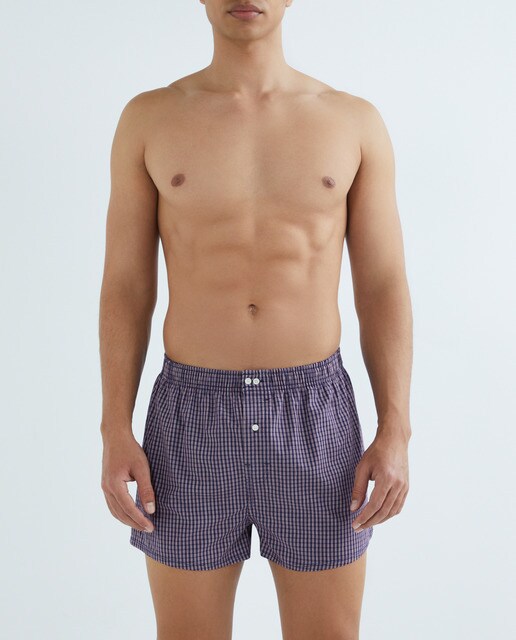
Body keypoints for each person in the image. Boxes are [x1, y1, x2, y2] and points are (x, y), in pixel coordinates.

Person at [99, 1, 413, 638]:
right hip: (190, 414)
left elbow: (382, 285)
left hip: (314, 413)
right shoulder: (150, 118)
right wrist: (114, 427)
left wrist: (396, 429)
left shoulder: (351, 122)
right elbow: (127, 286)